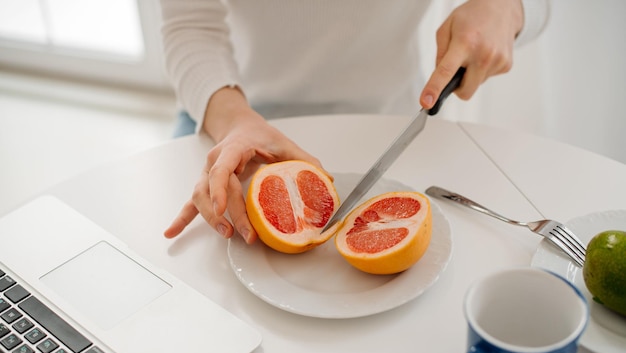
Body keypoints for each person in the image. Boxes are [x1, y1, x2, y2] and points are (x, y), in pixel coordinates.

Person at [159, 0, 549, 244]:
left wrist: (508, 8)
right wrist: (233, 120)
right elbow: (190, 27)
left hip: (389, 118)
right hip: (236, 114)